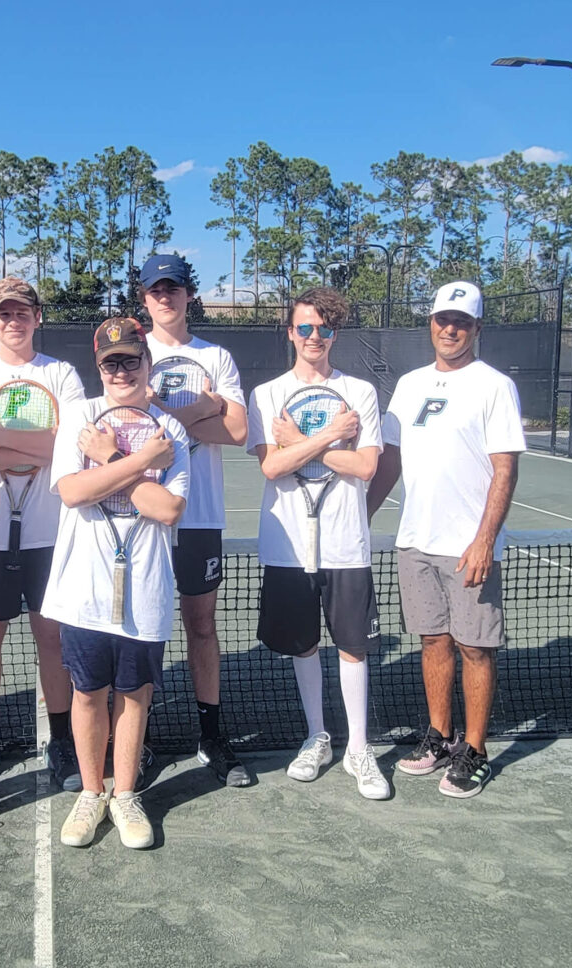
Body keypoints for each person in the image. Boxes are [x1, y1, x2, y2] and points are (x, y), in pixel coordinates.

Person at [367, 281, 524, 799]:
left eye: (461, 321)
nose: (450, 328)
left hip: (468, 548)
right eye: (442, 319)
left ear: (477, 328)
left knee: (475, 647)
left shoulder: (494, 385)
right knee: (432, 642)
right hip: (415, 541)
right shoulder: (410, 385)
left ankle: (475, 750)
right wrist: (362, 515)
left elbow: (505, 468)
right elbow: (390, 461)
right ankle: (438, 736)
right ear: (430, 323)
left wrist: (484, 540)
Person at [42, 317, 190, 850]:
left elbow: (167, 507)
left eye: (131, 360)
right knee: (88, 693)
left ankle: (125, 794)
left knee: (134, 695)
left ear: (148, 366)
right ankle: (90, 791)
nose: (121, 370)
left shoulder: (169, 430)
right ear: (98, 368)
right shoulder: (81, 417)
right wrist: (141, 464)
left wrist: (112, 458)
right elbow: (74, 492)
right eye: (111, 362)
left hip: (146, 585)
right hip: (83, 588)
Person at [246, 288, 389, 801]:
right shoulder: (265, 395)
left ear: (334, 334)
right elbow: (271, 465)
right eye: (304, 328)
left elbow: (367, 466)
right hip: (287, 547)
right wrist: (332, 435)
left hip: (346, 543)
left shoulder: (361, 394)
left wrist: (300, 443)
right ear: (290, 332)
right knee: (303, 645)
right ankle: (318, 737)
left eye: (323, 329)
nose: (313, 337)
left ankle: (358, 749)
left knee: (352, 647)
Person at [0, 277, 87, 793]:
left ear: (37, 317)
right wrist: (37, 444)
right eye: (3, 313)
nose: (13, 321)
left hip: (50, 534)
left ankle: (63, 742)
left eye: (22, 312)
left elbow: (70, 448)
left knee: (52, 637)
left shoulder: (63, 375)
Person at [139, 254, 251, 787]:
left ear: (188, 295)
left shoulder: (217, 356)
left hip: (201, 514)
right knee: (144, 628)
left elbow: (236, 431)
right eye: (156, 289)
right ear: (144, 298)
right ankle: (137, 739)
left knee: (201, 626)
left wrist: (168, 423)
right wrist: (201, 408)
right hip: (141, 515)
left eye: (174, 288)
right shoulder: (131, 354)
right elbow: (139, 436)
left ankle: (211, 734)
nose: (165, 297)